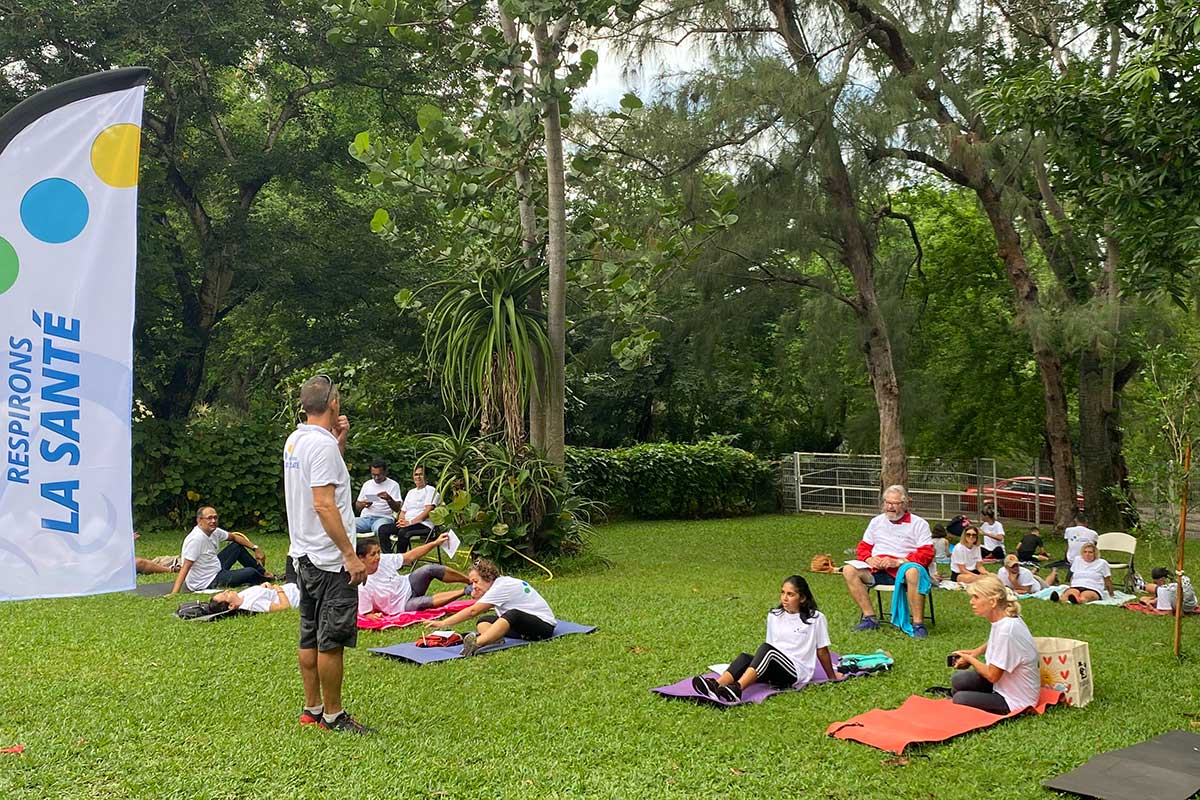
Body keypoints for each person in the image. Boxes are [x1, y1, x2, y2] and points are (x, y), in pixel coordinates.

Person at [283, 374, 371, 734]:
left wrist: (340, 443)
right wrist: (350, 555)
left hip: (303, 556)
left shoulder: (297, 440)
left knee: (308, 635)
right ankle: (333, 717)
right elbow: (324, 504)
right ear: (333, 403)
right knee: (330, 640)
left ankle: (312, 709)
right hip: (329, 560)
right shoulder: (322, 447)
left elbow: (321, 484)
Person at [692, 575, 841, 703]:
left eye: (790, 594)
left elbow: (822, 651)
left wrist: (832, 677)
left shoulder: (816, 618)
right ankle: (715, 686)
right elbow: (772, 644)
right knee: (745, 658)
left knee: (767, 650)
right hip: (776, 665)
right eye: (783, 593)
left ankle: (737, 689)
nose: (784, 598)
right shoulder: (775, 615)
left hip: (796, 672)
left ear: (802, 598)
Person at [841, 485, 934, 638]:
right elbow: (863, 547)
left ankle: (918, 625)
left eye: (895, 503)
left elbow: (927, 553)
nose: (890, 507)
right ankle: (869, 618)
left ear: (904, 504)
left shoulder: (919, 524)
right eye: (887, 502)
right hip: (877, 570)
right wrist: (869, 558)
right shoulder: (876, 522)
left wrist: (898, 562)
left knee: (913, 571)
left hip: (904, 569)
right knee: (848, 569)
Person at [423, 558, 556, 656]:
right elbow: (477, 608)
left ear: (488, 577)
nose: (473, 586)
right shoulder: (498, 585)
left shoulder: (502, 586)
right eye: (472, 583)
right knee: (484, 620)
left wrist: (443, 622)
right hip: (524, 628)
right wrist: (478, 593)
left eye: (476, 581)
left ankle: (477, 643)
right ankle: (494, 639)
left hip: (543, 627)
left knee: (512, 614)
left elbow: (473, 611)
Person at [948, 575, 1040, 714]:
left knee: (960, 698)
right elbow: (995, 640)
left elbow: (992, 676)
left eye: (976, 597)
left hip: (1016, 700)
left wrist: (970, 660)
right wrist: (975, 652)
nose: (971, 602)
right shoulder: (1006, 619)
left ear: (992, 602)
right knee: (959, 680)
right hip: (1003, 684)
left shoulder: (1006, 631)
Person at [356, 536, 471, 617]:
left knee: (430, 569)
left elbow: (409, 556)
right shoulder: (362, 584)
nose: (378, 557)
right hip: (401, 606)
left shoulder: (384, 559)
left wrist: (435, 543)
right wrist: (372, 616)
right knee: (424, 602)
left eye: (378, 552)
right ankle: (466, 591)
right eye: (373, 554)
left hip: (408, 583)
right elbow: (367, 612)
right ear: (361, 558)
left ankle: (470, 581)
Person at [168, 507, 270, 595]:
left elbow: (234, 537)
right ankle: (265, 579)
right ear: (199, 521)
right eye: (209, 518)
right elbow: (185, 567)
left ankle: (263, 573)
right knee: (250, 572)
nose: (213, 521)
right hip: (207, 581)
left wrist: (256, 548)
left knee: (236, 547)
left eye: (215, 517)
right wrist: (174, 593)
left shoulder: (214, 531)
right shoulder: (196, 539)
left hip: (215, 567)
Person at [385, 466, 440, 553]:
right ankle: (389, 557)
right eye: (416, 475)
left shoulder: (431, 490)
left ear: (426, 477)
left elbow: (427, 512)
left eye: (421, 474)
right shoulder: (411, 492)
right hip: (407, 524)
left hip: (423, 525)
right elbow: (403, 511)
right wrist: (401, 521)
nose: (418, 477)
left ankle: (402, 560)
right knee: (383, 529)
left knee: (403, 532)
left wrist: (409, 523)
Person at [353, 459, 401, 538]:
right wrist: (363, 504)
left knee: (380, 529)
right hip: (366, 518)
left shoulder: (393, 485)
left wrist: (389, 499)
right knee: (346, 525)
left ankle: (379, 549)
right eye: (373, 475)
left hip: (384, 518)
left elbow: (397, 509)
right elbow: (357, 506)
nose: (376, 477)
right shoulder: (367, 484)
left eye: (379, 475)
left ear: (385, 472)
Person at [211, 582, 301, 614]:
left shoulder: (240, 595)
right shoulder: (253, 604)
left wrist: (264, 586)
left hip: (294, 585)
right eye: (225, 595)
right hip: (298, 593)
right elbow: (284, 607)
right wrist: (278, 589)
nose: (227, 591)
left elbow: (259, 592)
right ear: (231, 605)